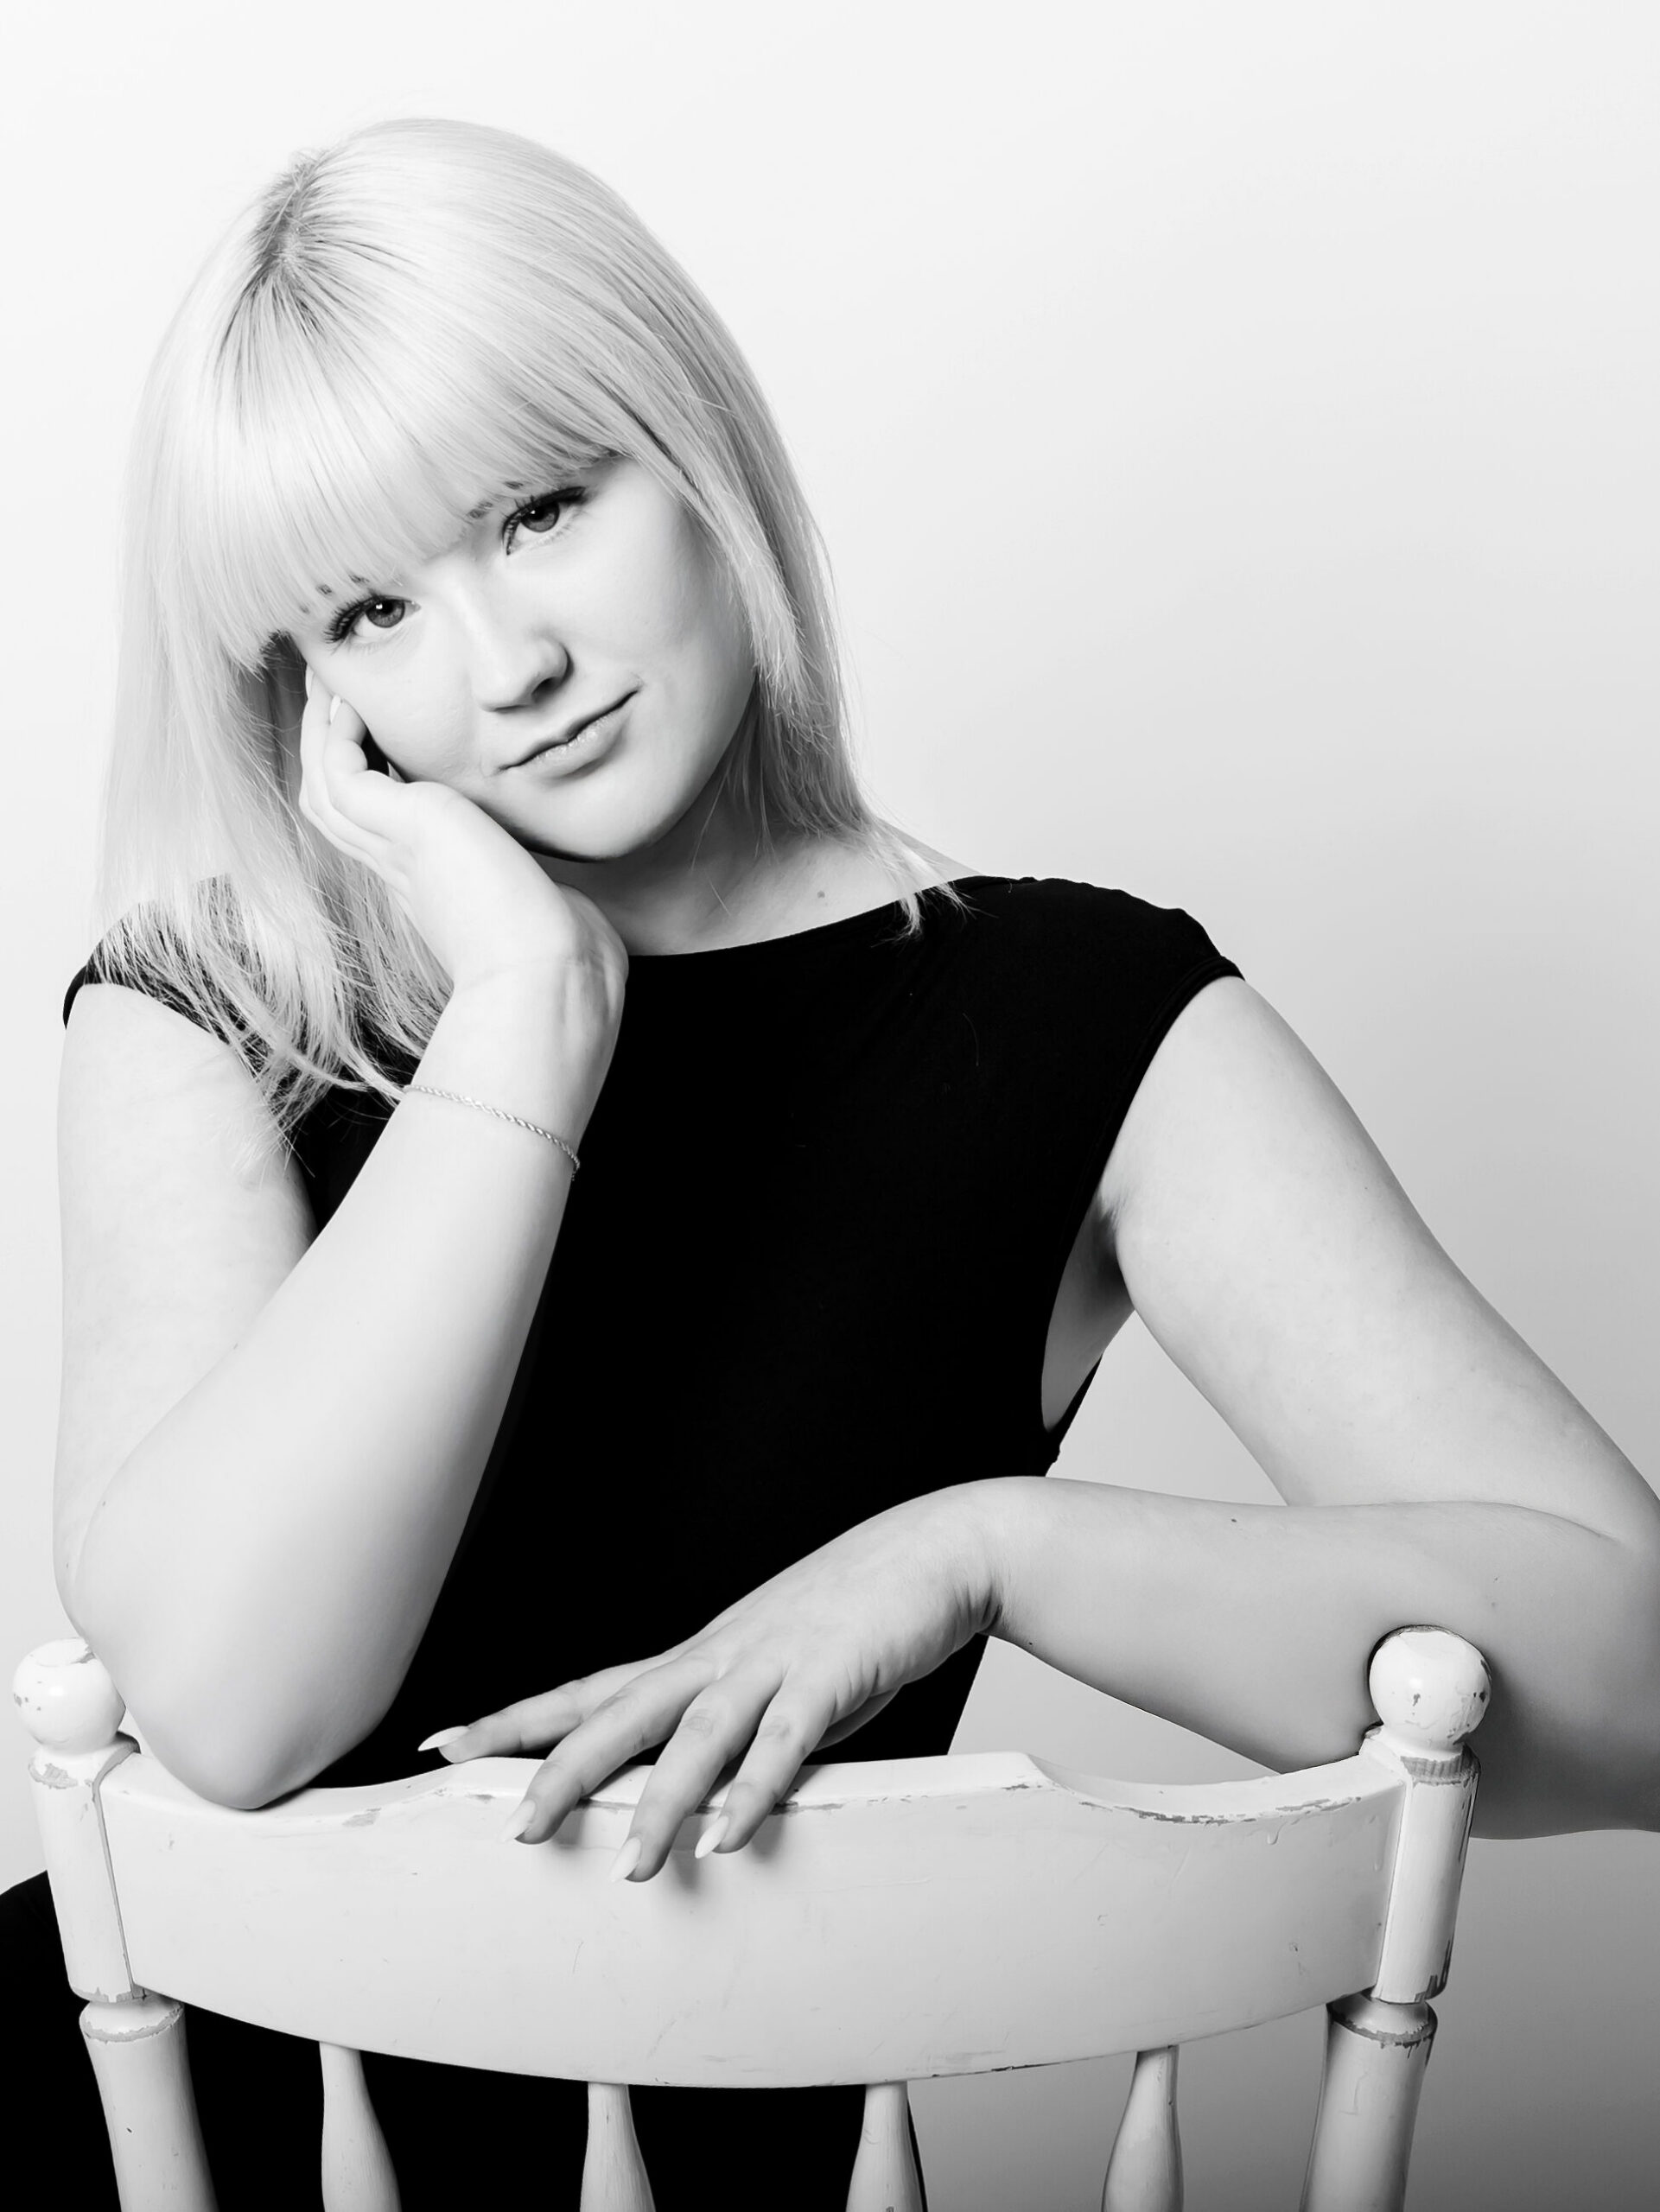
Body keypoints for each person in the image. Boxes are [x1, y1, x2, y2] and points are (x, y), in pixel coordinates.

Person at [10, 114, 1657, 2209]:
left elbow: (1636, 1684)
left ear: (690, 443)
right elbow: (232, 1715)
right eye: (372, 609)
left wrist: (982, 1549)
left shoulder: (1082, 1021)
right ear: (307, 697)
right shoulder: (205, 1015)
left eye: (540, 507)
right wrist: (527, 1009)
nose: (507, 667)